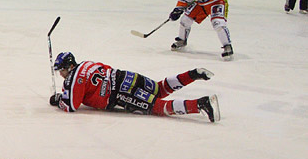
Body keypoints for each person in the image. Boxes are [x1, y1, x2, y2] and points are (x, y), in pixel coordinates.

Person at [50, 52, 221, 122]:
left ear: (69, 67)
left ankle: (200, 104)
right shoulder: (88, 63)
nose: (61, 74)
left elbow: (71, 105)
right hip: (126, 77)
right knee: (159, 89)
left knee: (160, 107)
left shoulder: (73, 79)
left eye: (62, 70)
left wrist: (58, 100)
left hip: (120, 93)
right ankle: (193, 73)